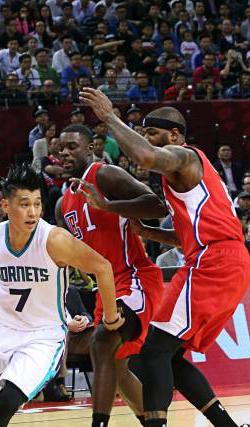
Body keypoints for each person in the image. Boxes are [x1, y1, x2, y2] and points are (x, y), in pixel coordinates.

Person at [80, 88, 250, 427]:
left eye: (152, 133)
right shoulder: (193, 177)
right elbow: (189, 236)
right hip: (224, 259)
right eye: (144, 133)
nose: (147, 140)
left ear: (174, 135)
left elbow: (145, 157)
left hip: (213, 261)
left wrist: (110, 117)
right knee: (167, 355)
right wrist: (148, 232)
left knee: (154, 350)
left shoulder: (184, 157)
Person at [0, 163, 122, 427]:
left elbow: (102, 267)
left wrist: (110, 317)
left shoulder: (54, 240)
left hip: (42, 335)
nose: (33, 212)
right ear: (5, 206)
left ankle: (0, 393)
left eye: (37, 204)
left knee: (5, 405)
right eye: (25, 204)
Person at [57, 124, 167, 427]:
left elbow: (156, 206)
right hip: (104, 289)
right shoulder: (62, 204)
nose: (64, 153)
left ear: (90, 148)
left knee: (102, 342)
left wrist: (107, 205)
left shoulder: (104, 175)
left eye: (72, 146)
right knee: (116, 368)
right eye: (61, 149)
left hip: (134, 277)